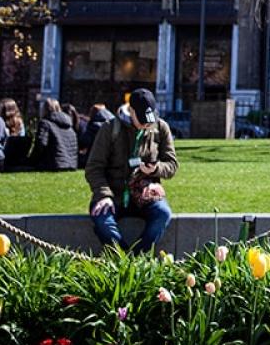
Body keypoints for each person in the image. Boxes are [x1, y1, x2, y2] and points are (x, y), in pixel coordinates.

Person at [85, 88, 177, 253]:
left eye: (149, 120)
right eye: (142, 120)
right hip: (114, 194)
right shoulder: (109, 128)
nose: (146, 125)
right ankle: (122, 257)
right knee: (103, 221)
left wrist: (155, 170)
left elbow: (171, 164)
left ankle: (137, 257)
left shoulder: (161, 127)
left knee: (163, 213)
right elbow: (94, 168)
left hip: (144, 194)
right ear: (131, 110)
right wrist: (104, 195)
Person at [30, 97, 79, 171]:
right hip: (71, 164)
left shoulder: (45, 123)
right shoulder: (69, 126)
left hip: (52, 164)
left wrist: (31, 160)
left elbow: (40, 144)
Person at [0, 97, 30, 170]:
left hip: (3, 156)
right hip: (18, 156)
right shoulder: (20, 123)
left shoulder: (0, 123)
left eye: (0, 108)